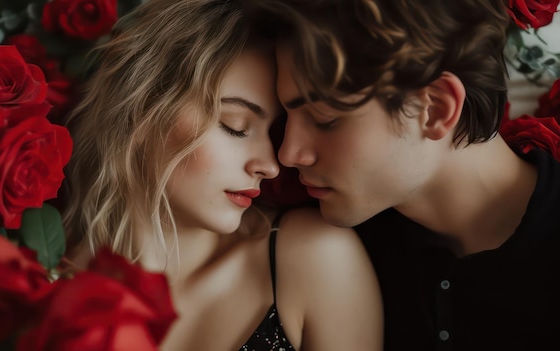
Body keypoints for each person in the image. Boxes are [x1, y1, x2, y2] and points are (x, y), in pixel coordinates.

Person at [61, 0, 382, 350]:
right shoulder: (48, 283)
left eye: (272, 132)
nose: (271, 165)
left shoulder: (314, 258)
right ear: (143, 111)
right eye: (237, 127)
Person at [246, 0, 560, 350]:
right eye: (284, 119)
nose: (288, 154)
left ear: (435, 108)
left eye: (324, 118)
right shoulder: (342, 249)